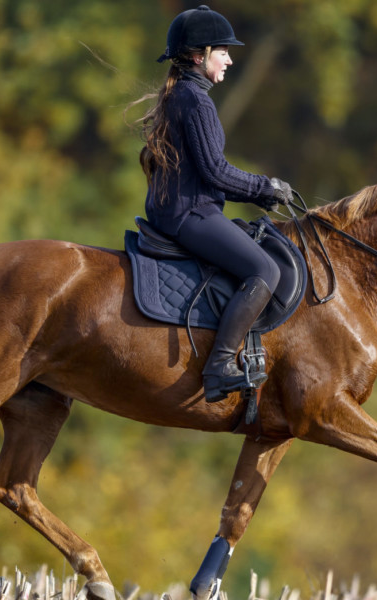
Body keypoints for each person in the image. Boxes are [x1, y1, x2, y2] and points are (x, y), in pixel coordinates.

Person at [136, 5, 294, 403]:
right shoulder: (197, 101)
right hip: (190, 214)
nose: (230, 58)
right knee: (264, 268)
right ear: (198, 54)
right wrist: (266, 187)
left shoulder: (182, 94)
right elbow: (216, 172)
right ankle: (220, 365)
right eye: (222, 51)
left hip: (176, 210)